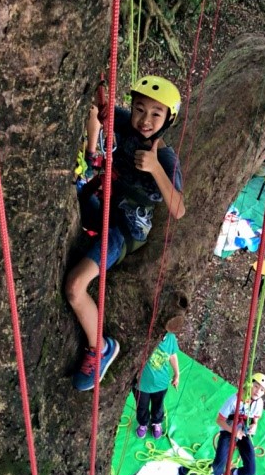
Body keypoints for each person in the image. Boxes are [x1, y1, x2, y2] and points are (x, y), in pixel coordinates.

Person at [67, 76, 185, 391]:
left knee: (76, 287)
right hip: (101, 206)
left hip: (123, 232)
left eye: (155, 114)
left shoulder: (166, 160)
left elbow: (178, 209)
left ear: (167, 120)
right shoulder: (124, 122)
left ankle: (100, 347)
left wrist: (155, 169)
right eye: (140, 109)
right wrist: (93, 149)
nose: (145, 120)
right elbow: (98, 111)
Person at [211, 372, 265, 475]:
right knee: (218, 464)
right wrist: (233, 431)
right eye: (255, 386)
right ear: (249, 384)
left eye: (261, 390)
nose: (257, 391)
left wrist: (254, 425)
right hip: (228, 430)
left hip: (243, 432)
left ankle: (235, 474)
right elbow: (219, 420)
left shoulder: (258, 403)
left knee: (251, 470)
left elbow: (256, 419)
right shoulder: (234, 400)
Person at [134, 317, 181, 439]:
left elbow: (172, 355)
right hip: (141, 385)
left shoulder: (170, 338)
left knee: (158, 406)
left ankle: (156, 423)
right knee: (142, 406)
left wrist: (177, 374)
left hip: (161, 383)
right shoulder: (146, 336)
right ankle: (143, 423)